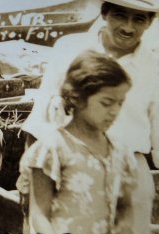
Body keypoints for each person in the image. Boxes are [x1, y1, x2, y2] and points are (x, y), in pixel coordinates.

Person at [22, 0, 159, 232]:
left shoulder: (154, 66)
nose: (128, 27)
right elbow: (41, 113)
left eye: (138, 19)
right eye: (119, 15)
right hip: (67, 158)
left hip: (129, 164)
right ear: (104, 14)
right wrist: (26, 171)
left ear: (149, 23)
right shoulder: (69, 48)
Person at [17, 50, 136, 234]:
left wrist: (124, 226)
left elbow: (125, 207)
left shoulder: (119, 150)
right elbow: (39, 216)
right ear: (76, 98)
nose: (114, 111)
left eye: (120, 103)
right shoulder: (53, 148)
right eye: (106, 103)